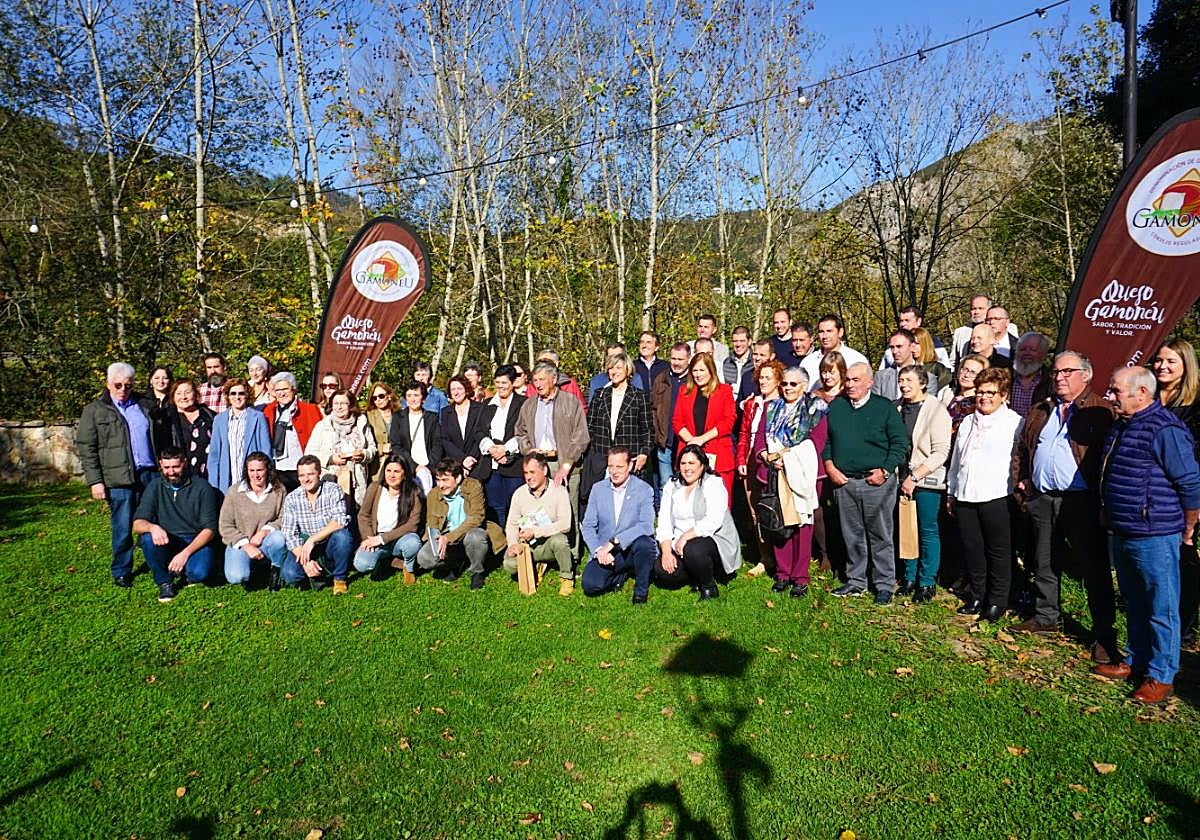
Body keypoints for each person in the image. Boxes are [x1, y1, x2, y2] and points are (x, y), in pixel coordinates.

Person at [1095, 365, 1200, 705]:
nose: (1110, 397)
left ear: (1141, 393)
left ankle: (1161, 673)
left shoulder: (1165, 430)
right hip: (1123, 529)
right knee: (1136, 601)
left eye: (1115, 391)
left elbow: (1189, 480)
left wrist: (1188, 526)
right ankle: (1136, 658)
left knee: (1162, 605)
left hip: (1155, 533)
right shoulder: (1122, 426)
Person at [1010, 352, 1117, 661]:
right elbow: (1023, 449)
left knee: (1093, 567)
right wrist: (1024, 481)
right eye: (1056, 371)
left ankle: (1103, 634)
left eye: (1067, 371)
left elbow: (1108, 459)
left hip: (1081, 501)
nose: (1059, 377)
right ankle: (1046, 616)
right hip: (1043, 497)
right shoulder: (1042, 410)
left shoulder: (1101, 410)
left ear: (1086, 375)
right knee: (1045, 560)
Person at [822, 363, 908, 605]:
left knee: (880, 534)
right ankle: (856, 580)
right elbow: (826, 441)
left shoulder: (884, 408)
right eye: (847, 380)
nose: (850, 385)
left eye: (856, 380)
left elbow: (900, 443)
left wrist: (885, 470)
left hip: (876, 482)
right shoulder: (837, 407)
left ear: (870, 382)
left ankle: (884, 584)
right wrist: (830, 466)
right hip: (844, 481)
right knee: (852, 534)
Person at [946, 368, 1022, 620]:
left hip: (996, 494)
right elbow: (957, 460)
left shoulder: (1014, 422)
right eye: (980, 392)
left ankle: (998, 600)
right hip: (966, 493)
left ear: (1003, 395)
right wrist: (951, 491)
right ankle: (977, 594)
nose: (984, 397)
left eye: (990, 392)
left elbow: (1018, 460)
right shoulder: (968, 421)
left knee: (998, 550)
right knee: (973, 548)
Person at [78, 362, 159, 587]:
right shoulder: (94, 411)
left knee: (153, 521)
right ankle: (122, 570)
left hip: (149, 475)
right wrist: (95, 481)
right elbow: (87, 448)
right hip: (119, 479)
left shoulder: (144, 405)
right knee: (123, 526)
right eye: (118, 385)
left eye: (128, 385)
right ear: (108, 384)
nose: (123, 389)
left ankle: (159, 564)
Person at [757, 367, 829, 598]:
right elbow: (760, 437)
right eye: (785, 384)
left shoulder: (815, 409)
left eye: (793, 384)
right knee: (780, 522)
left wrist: (786, 458)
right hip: (775, 474)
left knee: (802, 526)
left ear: (804, 386)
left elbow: (815, 443)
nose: (788, 388)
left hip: (802, 474)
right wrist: (765, 456)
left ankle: (800, 577)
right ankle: (782, 573)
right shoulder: (772, 408)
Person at [514, 361, 591, 559]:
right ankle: (543, 552)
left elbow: (581, 437)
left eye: (542, 379)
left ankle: (572, 555)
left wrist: (566, 466)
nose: (537, 384)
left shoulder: (570, 402)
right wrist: (528, 450)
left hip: (565, 462)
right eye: (535, 380)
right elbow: (519, 432)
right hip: (538, 463)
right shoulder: (529, 404)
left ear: (554, 379)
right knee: (540, 509)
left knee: (568, 509)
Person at [1153, 338, 1200, 647]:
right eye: (1159, 360)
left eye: (1171, 361)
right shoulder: (1149, 397)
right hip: (1154, 491)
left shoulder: (1196, 406)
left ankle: (1185, 623)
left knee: (1185, 554)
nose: (1162, 366)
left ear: (1186, 366)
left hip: (1186, 489)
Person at [895, 364, 952, 603]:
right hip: (901, 476)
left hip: (927, 479)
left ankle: (927, 580)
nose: (904, 385)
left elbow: (941, 452)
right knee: (906, 527)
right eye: (901, 380)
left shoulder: (936, 410)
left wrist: (915, 476)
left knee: (927, 530)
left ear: (922, 383)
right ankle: (908, 576)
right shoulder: (896, 408)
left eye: (909, 380)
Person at [654, 444, 742, 599]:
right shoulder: (672, 485)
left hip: (712, 540)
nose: (687, 468)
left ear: (702, 465)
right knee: (662, 571)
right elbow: (664, 521)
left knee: (693, 549)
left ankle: (709, 586)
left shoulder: (713, 483)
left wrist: (685, 537)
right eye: (683, 463)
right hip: (680, 544)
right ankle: (696, 573)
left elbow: (713, 521)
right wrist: (667, 552)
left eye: (692, 463)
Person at [133, 446, 220, 602]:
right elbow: (137, 524)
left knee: (199, 573)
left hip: (195, 540)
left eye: (175, 466)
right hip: (168, 538)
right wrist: (153, 527)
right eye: (166, 467)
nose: (171, 472)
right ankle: (164, 582)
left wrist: (184, 554)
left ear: (184, 463)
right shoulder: (154, 486)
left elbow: (210, 529)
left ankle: (183, 568)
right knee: (147, 538)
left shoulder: (202, 487)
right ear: (160, 465)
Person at [581, 447, 658, 603]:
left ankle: (641, 590)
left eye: (619, 466)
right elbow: (588, 525)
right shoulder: (598, 489)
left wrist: (615, 541)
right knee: (590, 584)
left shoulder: (644, 490)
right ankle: (619, 576)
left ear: (630, 466)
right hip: (607, 552)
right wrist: (598, 551)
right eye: (611, 466)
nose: (614, 471)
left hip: (632, 549)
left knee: (645, 544)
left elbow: (646, 526)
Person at [418, 458, 506, 591]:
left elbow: (477, 518)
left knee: (475, 537)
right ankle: (455, 563)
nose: (440, 485)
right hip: (448, 533)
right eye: (438, 480)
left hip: (471, 531)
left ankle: (477, 571)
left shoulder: (473, 486)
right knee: (425, 558)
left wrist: (449, 538)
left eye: (445, 480)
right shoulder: (433, 494)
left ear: (458, 478)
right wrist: (438, 540)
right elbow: (432, 523)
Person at [583, 350, 653, 511]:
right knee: (603, 507)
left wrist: (644, 453)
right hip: (602, 459)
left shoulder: (639, 396)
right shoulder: (600, 395)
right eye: (611, 368)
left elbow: (647, 429)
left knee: (628, 508)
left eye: (618, 368)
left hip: (630, 459)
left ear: (627, 370)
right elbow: (590, 426)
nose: (614, 372)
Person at [736, 358, 786, 577]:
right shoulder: (752, 404)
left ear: (778, 380)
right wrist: (740, 461)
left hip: (777, 459)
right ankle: (764, 557)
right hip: (751, 459)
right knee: (756, 510)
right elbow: (744, 434)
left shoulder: (785, 402)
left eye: (768, 377)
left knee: (780, 509)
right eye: (761, 377)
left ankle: (783, 557)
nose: (764, 381)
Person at [279, 454, 354, 593]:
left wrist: (313, 539)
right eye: (302, 475)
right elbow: (289, 533)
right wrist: (305, 561)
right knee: (290, 574)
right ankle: (317, 572)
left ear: (319, 473)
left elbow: (340, 520)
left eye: (310, 474)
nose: (306, 479)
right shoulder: (292, 498)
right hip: (305, 546)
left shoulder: (333, 490)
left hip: (328, 542)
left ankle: (339, 578)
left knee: (343, 537)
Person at [503, 453, 573, 595]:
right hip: (528, 546)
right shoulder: (519, 493)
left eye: (532, 472)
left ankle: (566, 577)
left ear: (545, 471)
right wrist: (512, 544)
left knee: (560, 541)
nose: (528, 477)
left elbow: (566, 524)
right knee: (509, 565)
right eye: (525, 473)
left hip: (550, 543)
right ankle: (535, 566)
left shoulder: (559, 490)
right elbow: (511, 524)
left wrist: (536, 532)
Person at [218, 451, 288, 590]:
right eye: (252, 470)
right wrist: (246, 545)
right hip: (241, 543)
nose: (256, 475)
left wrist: (264, 532)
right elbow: (225, 526)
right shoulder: (234, 492)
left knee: (279, 538)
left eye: (260, 470)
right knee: (236, 577)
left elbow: (283, 518)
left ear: (267, 470)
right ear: (247, 471)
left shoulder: (278, 490)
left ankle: (275, 572)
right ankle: (251, 567)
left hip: (265, 540)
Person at [672, 352, 737, 499]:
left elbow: (728, 422)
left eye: (702, 370)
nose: (698, 374)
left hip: (718, 454)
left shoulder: (725, 391)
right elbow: (677, 421)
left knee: (719, 502)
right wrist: (691, 441)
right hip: (689, 454)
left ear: (710, 371)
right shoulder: (684, 391)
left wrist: (701, 439)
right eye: (695, 370)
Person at [354, 453, 424, 584]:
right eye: (388, 470)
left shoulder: (413, 492)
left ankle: (408, 568)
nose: (392, 475)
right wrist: (370, 539)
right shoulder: (375, 488)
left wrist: (382, 539)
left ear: (404, 474)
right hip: (376, 537)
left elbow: (412, 525)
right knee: (361, 564)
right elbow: (363, 515)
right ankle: (389, 561)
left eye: (396, 471)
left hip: (399, 538)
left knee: (413, 544)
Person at [305, 388, 377, 508]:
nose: (339, 407)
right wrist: (331, 459)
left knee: (356, 516)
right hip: (332, 478)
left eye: (343, 403)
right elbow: (309, 453)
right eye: (336, 403)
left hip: (357, 480)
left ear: (351, 405)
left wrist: (363, 455)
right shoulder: (323, 426)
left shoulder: (362, 424)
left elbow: (372, 448)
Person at [480, 365, 527, 528]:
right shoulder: (487, 404)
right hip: (491, 466)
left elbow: (525, 432)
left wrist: (505, 449)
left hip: (513, 465)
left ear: (513, 383)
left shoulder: (524, 403)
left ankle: (522, 546)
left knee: (517, 507)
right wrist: (491, 448)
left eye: (504, 382)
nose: (501, 386)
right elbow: (479, 431)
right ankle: (502, 545)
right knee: (496, 507)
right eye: (498, 382)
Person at [206, 378, 272, 494]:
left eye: (241, 393)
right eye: (233, 393)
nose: (237, 397)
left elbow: (265, 451)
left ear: (247, 395)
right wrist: (213, 484)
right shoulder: (219, 419)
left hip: (251, 480)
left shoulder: (258, 417)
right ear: (228, 396)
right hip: (226, 481)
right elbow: (214, 455)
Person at [264, 372, 323, 492]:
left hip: (302, 468)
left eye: (285, 389)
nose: (282, 393)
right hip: (277, 467)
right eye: (278, 390)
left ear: (293, 389)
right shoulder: (268, 411)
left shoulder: (310, 410)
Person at [650, 343, 692, 507]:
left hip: (686, 441)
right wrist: (657, 433)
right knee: (666, 485)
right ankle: (665, 521)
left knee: (687, 482)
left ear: (689, 358)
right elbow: (653, 407)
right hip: (665, 440)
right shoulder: (661, 378)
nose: (676, 362)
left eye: (680, 359)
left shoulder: (693, 380)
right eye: (673, 358)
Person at [390, 381, 443, 493]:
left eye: (416, 395)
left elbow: (437, 444)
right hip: (407, 467)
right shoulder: (398, 418)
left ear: (423, 398)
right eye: (409, 396)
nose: (412, 399)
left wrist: (430, 467)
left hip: (429, 468)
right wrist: (414, 466)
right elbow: (396, 445)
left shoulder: (432, 418)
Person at [439, 375, 490, 484]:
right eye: (453, 389)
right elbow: (445, 440)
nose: (456, 392)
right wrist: (463, 460)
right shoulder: (445, 412)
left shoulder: (480, 409)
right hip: (454, 466)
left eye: (459, 388)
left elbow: (482, 435)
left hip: (477, 465)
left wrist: (470, 461)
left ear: (466, 390)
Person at [164, 378, 215, 484]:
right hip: (178, 476)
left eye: (188, 392)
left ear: (195, 394)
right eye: (179, 393)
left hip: (207, 476)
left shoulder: (209, 416)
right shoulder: (166, 419)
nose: (183, 397)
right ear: (173, 396)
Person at [799, 314, 868, 389]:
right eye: (821, 332)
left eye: (829, 331)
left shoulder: (856, 360)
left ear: (840, 332)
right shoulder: (807, 362)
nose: (825, 336)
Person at [872, 330, 935, 400]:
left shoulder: (928, 378)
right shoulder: (881, 377)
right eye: (892, 347)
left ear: (912, 347)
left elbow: (928, 407)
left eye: (899, 346)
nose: (895, 351)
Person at [938, 354, 990, 436]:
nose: (966, 375)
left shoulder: (978, 402)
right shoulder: (948, 394)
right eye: (965, 369)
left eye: (973, 372)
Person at [1008, 332, 1053, 418]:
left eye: (1033, 350)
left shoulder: (1050, 382)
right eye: (1023, 349)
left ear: (1043, 354)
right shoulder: (1006, 376)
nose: (1027, 353)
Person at [364, 382, 400, 478]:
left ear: (389, 396)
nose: (378, 400)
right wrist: (381, 448)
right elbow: (364, 442)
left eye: (381, 396)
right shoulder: (367, 416)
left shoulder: (400, 414)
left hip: (398, 464)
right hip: (377, 466)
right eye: (374, 398)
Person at [722, 326, 755, 403]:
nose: (738, 344)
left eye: (742, 341)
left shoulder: (754, 362)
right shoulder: (727, 363)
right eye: (735, 341)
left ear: (749, 342)